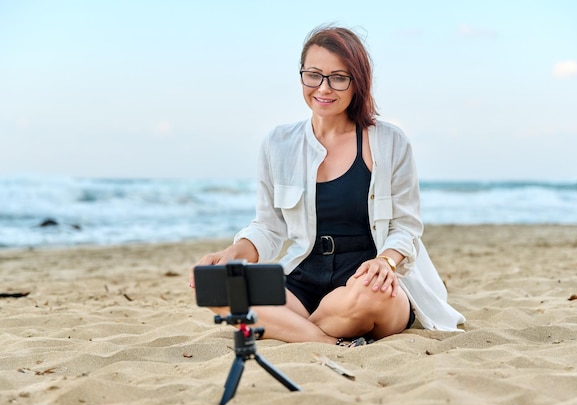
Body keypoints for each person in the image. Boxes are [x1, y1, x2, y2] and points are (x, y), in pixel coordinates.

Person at [190, 25, 465, 346]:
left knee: (366, 297)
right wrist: (234, 252)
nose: (323, 88)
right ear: (302, 75)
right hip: (303, 276)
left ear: (357, 82)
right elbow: (269, 227)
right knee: (220, 289)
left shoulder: (391, 142)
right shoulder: (278, 143)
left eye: (338, 77)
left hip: (367, 277)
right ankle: (328, 340)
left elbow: (407, 227)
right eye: (313, 75)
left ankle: (292, 327)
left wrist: (385, 261)